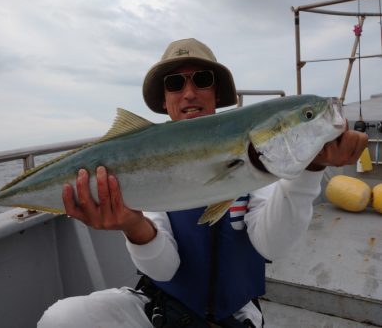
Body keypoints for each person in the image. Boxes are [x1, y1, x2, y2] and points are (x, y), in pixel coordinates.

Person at [38, 38, 368, 328]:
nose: (190, 93)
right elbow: (164, 270)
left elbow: (272, 245)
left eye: (202, 79)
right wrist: (132, 224)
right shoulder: (150, 155)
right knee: (61, 319)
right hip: (159, 308)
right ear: (164, 100)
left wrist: (311, 168)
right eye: (175, 84)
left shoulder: (258, 165)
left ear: (217, 93)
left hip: (236, 316)